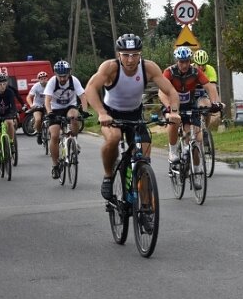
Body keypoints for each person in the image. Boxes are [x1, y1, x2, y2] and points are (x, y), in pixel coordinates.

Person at [85, 33, 181, 201]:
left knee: (143, 160)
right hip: (111, 115)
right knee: (113, 138)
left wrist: (173, 111)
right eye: (126, 55)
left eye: (135, 54)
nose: (130, 60)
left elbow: (171, 91)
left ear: (140, 54)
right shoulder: (110, 68)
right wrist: (101, 113)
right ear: (118, 55)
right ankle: (108, 176)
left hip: (135, 114)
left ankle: (146, 210)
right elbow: (90, 89)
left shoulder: (149, 68)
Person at [160, 46, 223, 174]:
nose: (184, 65)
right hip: (173, 104)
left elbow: (209, 87)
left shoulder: (195, 71)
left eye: (187, 61)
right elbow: (161, 92)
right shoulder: (169, 72)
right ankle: (172, 151)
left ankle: (197, 169)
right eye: (181, 62)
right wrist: (169, 108)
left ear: (190, 61)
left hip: (190, 104)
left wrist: (215, 103)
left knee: (195, 138)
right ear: (177, 61)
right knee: (173, 120)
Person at [44, 60, 88, 179]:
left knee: (74, 117)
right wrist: (49, 113)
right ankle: (55, 165)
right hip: (55, 109)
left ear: (69, 73)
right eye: (60, 76)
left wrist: (84, 110)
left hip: (70, 106)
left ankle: (74, 140)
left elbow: (82, 96)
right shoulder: (52, 82)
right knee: (54, 135)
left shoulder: (74, 80)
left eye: (65, 76)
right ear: (55, 74)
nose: (62, 79)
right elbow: (47, 100)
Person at [0, 74, 27, 170]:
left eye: (4, 84)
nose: (3, 86)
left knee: (10, 122)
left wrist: (14, 113)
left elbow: (13, 105)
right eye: (0, 84)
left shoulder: (9, 92)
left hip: (7, 114)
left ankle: (11, 143)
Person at [192, 49, 221, 130]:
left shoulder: (210, 69)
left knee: (207, 109)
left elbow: (213, 87)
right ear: (195, 63)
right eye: (199, 65)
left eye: (203, 65)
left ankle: (206, 131)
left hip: (203, 93)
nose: (201, 67)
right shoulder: (190, 68)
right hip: (190, 93)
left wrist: (216, 102)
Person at [27, 71, 49, 145]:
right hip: (38, 104)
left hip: (48, 104)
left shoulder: (50, 85)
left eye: (44, 78)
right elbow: (29, 97)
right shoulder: (36, 86)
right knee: (38, 119)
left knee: (52, 118)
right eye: (41, 78)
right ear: (38, 79)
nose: (43, 80)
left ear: (47, 78)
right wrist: (31, 105)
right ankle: (39, 134)